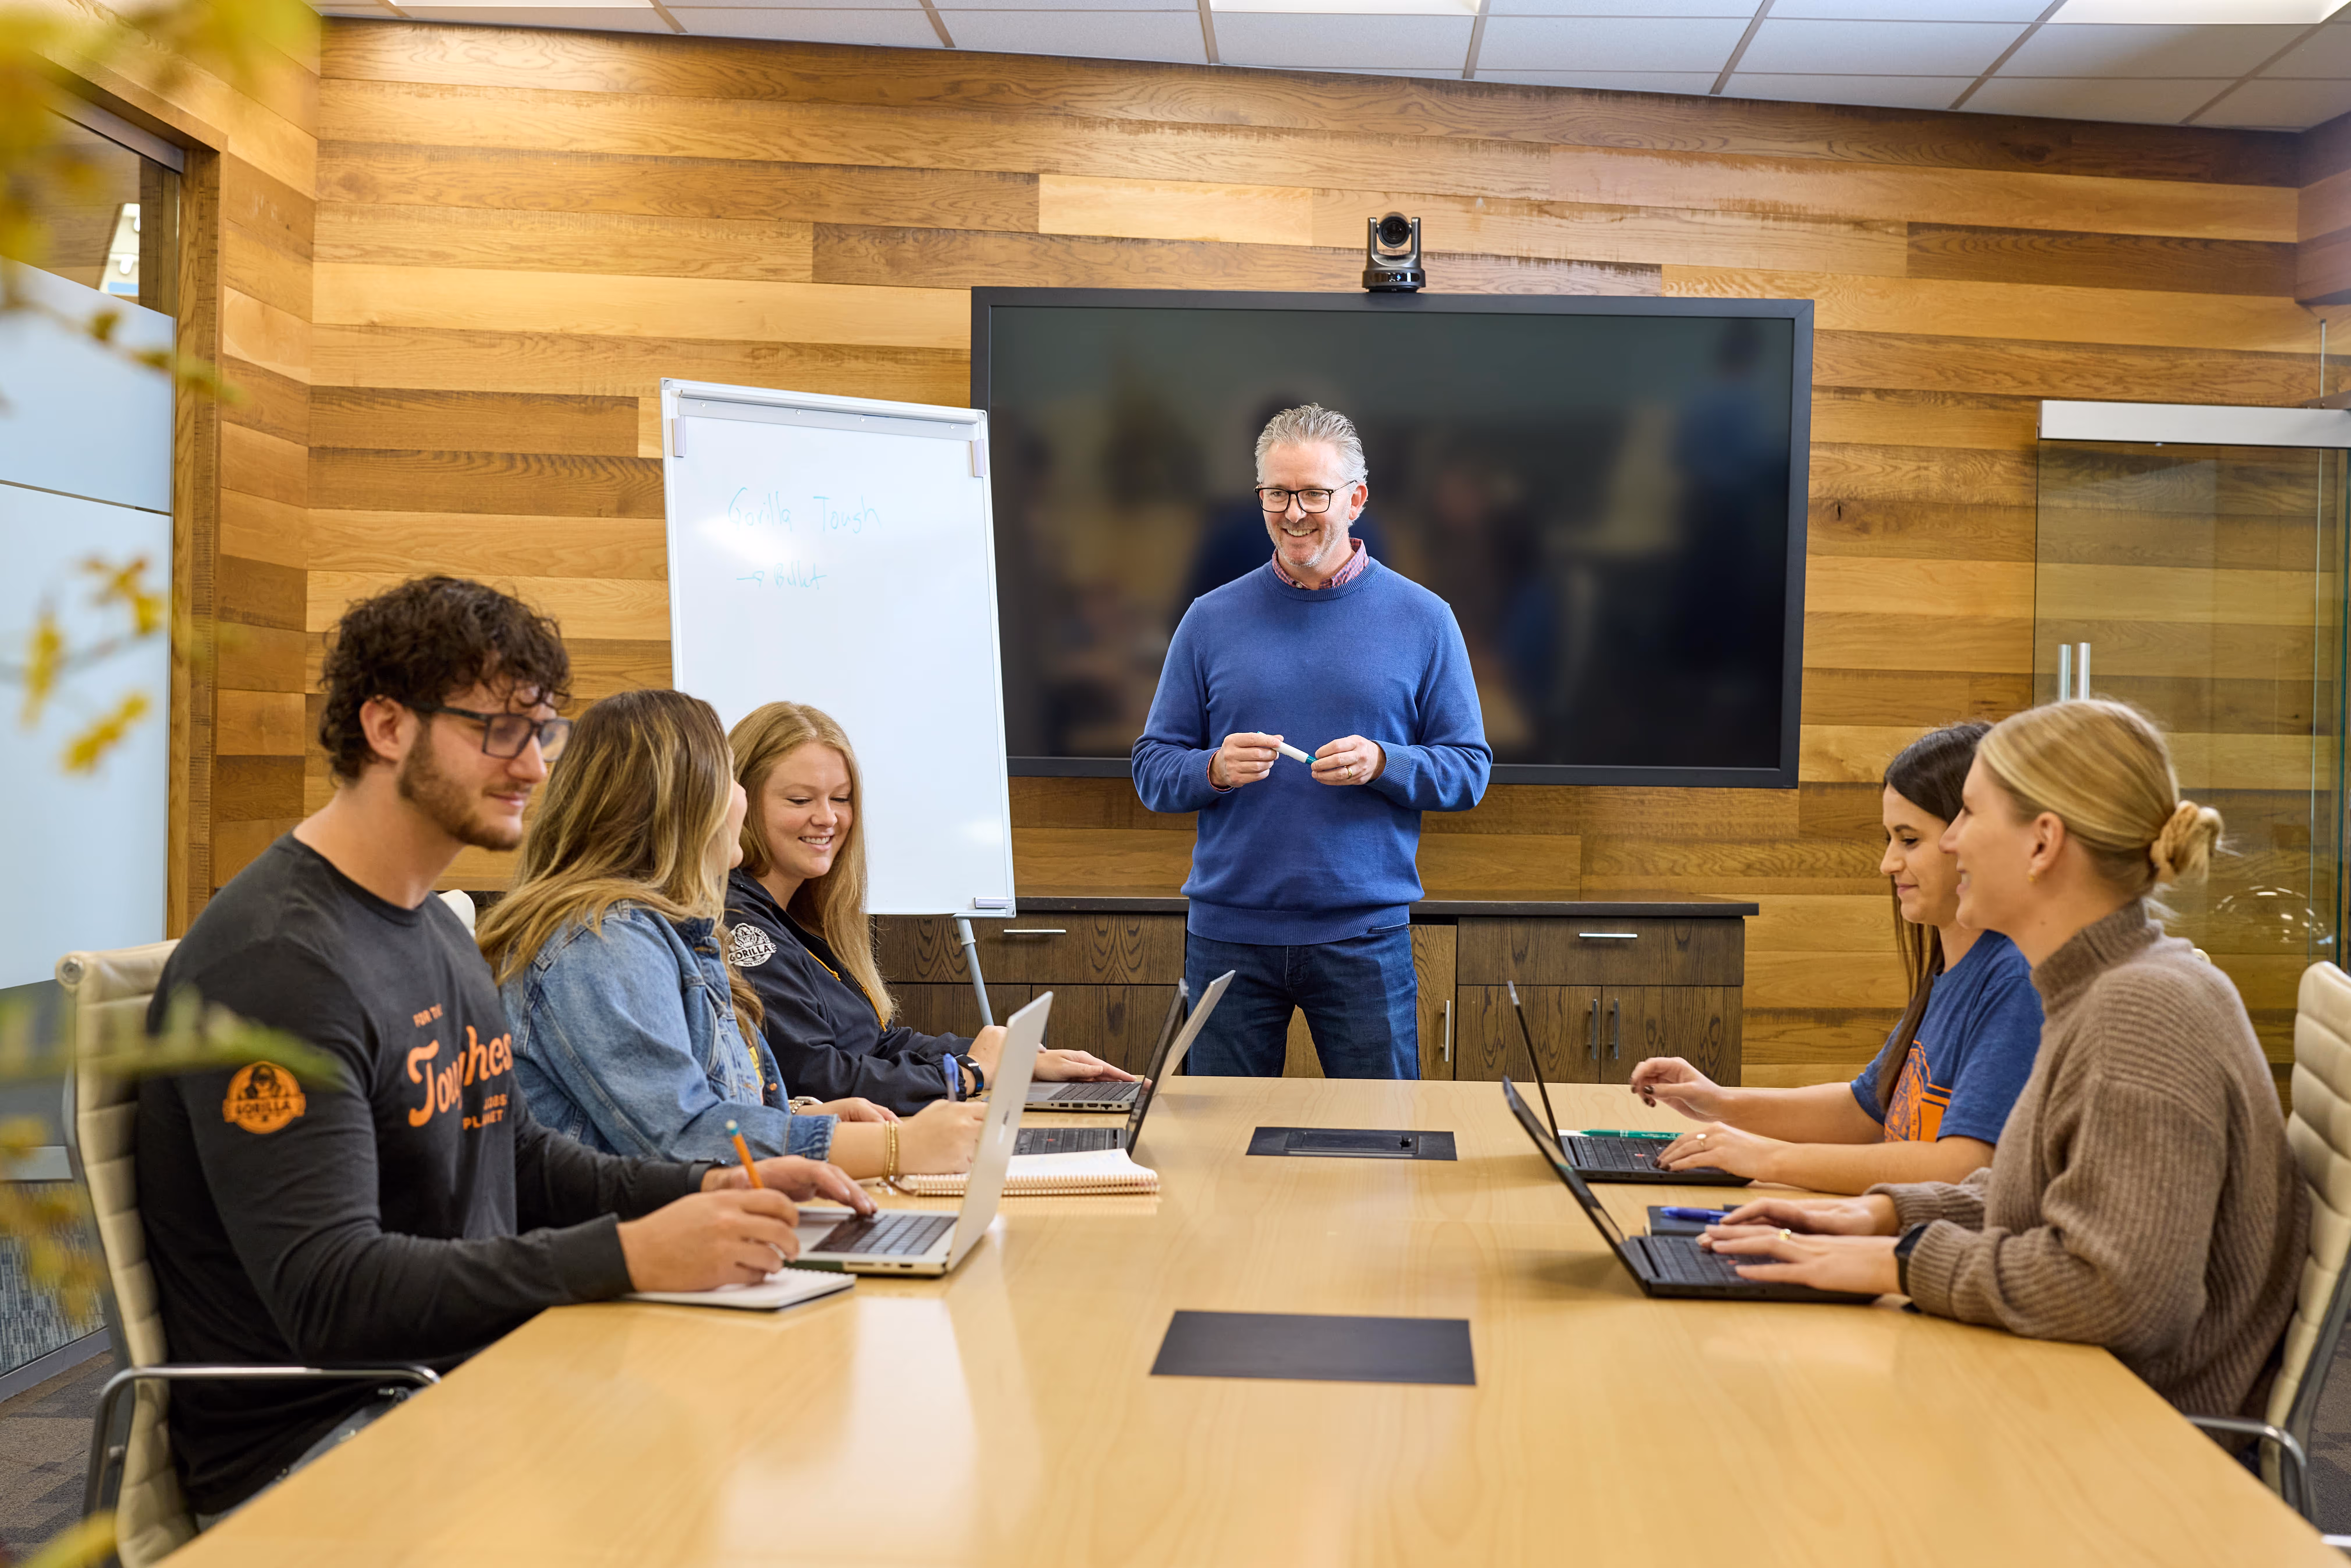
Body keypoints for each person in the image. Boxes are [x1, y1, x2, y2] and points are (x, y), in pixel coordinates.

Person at [134, 577, 875, 1522]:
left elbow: (515, 1156)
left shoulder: (432, 926)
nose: (533, 766)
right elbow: (333, 1292)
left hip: (462, 1372)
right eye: (499, 732)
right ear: (388, 727)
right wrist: (630, 1253)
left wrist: (708, 1190)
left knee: (780, 1434)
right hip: (325, 1451)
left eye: (543, 733)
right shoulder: (281, 963)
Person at [1703, 699, 2310, 1422]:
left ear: (2041, 844)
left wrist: (1899, 1260)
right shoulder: (2096, 986)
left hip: (2122, 1440)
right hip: (2063, 1391)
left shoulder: (2141, 1012)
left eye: (1964, 815)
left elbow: (2120, 1295)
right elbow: (2040, 1196)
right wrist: (1880, 1215)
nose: (1950, 842)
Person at [479, 689, 989, 1177]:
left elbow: (713, 1106)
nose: (740, 797)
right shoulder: (603, 942)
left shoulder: (667, 932)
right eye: (729, 776)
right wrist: (895, 1145)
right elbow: (684, 1138)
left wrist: (801, 1119)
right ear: (679, 802)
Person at [1131, 403, 1491, 1078]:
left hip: (1364, 938)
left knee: (1383, 1146)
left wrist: (1385, 762)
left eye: (1314, 494)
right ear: (1260, 495)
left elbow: (1468, 770)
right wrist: (1212, 768)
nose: (1294, 512)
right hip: (1227, 936)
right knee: (1220, 1152)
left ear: (1355, 499)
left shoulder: (1424, 618)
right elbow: (1152, 769)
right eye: (1277, 493)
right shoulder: (1208, 619)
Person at [1633, 721, 2042, 1192]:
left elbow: (1965, 1168)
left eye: (1909, 840)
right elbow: (1865, 1109)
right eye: (1889, 838)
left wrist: (1766, 1157)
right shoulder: (1952, 969)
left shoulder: (2015, 978)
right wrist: (1718, 1101)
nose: (1888, 863)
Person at [724, 701, 1134, 1111]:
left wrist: (1010, 1056)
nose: (828, 818)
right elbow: (819, 1078)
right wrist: (970, 1072)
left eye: (842, 798)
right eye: (800, 800)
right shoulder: (742, 926)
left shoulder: (797, 917)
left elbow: (878, 1044)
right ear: (737, 803)